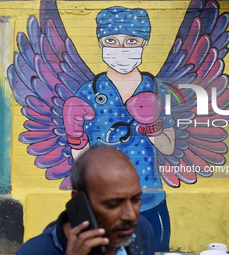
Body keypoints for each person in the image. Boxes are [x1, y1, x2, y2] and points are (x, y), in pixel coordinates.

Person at [63, 7, 174, 250]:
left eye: (131, 41)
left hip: (150, 200)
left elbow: (169, 146)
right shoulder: (88, 92)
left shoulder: (156, 88)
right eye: (111, 41)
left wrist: (151, 125)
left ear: (143, 42)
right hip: (101, 202)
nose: (121, 49)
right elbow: (80, 161)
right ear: (101, 43)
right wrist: (76, 137)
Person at [16, 146, 155, 255]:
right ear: (79, 201)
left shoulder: (141, 230)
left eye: (136, 199)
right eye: (113, 205)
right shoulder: (34, 252)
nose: (130, 216)